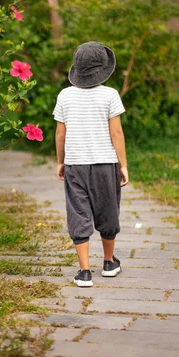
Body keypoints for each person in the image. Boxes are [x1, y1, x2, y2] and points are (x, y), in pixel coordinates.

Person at [53, 41, 129, 287]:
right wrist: (123, 165)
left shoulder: (65, 95)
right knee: (108, 208)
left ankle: (84, 271)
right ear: (102, 69)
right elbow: (117, 134)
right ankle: (109, 262)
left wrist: (61, 161)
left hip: (75, 164)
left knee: (78, 212)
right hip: (105, 164)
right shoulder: (110, 95)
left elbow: (60, 134)